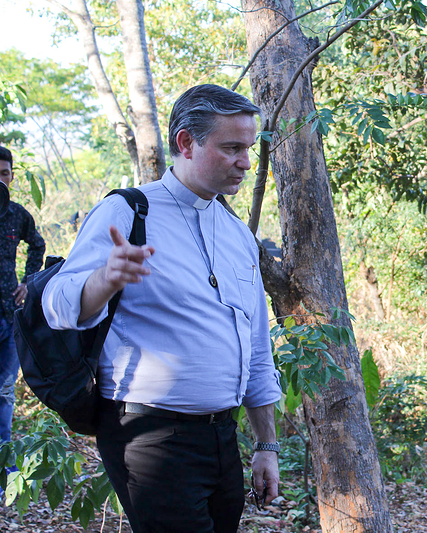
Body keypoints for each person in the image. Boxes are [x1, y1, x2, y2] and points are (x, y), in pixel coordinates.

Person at [42, 85, 282, 533]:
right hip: (149, 437)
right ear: (186, 142)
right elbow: (56, 304)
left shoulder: (238, 234)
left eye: (248, 149)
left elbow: (256, 348)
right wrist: (105, 279)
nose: (246, 163)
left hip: (221, 438)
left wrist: (266, 445)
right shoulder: (129, 211)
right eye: (232, 148)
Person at [0, 145, 45, 443]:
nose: (0, 179)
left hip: (9, 314)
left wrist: (28, 282)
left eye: (4, 173)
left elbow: (37, 245)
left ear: (12, 176)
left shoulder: (17, 214)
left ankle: (4, 457)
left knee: (4, 391)